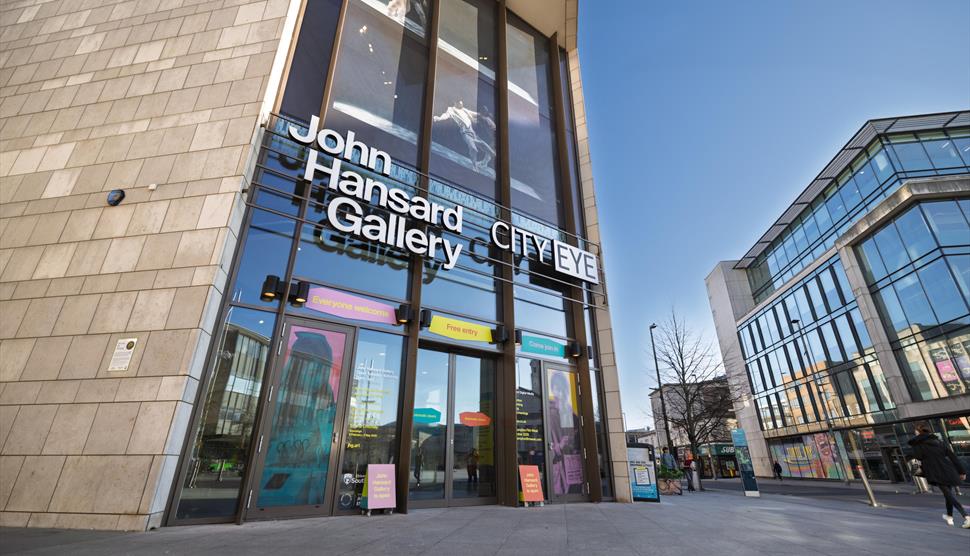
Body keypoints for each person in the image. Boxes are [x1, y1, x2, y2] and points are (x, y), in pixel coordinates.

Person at [908, 422, 969, 528]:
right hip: (948, 469)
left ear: (919, 431)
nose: (914, 432)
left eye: (915, 430)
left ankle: (966, 516)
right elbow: (952, 456)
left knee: (948, 494)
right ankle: (949, 517)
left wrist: (919, 473)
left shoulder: (917, 444)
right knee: (948, 494)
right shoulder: (938, 441)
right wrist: (961, 471)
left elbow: (917, 459)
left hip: (935, 471)